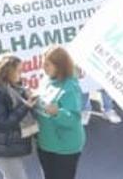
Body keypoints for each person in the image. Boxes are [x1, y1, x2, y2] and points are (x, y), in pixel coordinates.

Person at [0, 54, 36, 179]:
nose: (21, 74)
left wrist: (26, 96)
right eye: (18, 71)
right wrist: (25, 107)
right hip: (3, 149)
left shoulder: (14, 88)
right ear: (8, 72)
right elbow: (4, 124)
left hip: (9, 145)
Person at [34, 45, 85, 179]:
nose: (44, 68)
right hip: (45, 144)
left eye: (47, 65)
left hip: (64, 148)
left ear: (60, 65)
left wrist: (57, 113)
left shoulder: (70, 87)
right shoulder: (46, 80)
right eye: (43, 64)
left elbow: (73, 119)